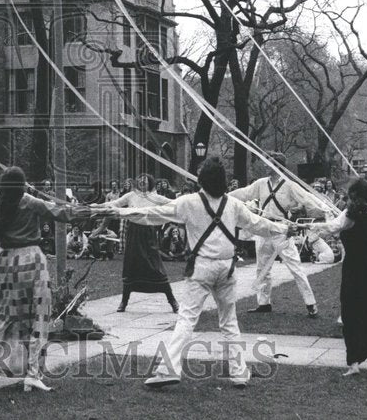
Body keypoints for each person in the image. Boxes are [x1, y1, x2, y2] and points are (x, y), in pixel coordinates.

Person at [111, 157, 293, 389]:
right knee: (229, 322)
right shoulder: (234, 205)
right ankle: (238, 374)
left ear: (202, 180)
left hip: (201, 269)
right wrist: (285, 228)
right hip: (227, 268)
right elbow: (258, 224)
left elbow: (153, 214)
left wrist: (119, 213)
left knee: (187, 319)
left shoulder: (189, 202)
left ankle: (169, 369)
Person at [0, 166, 99, 392]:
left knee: (5, 317)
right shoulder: (29, 201)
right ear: (22, 184)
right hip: (31, 261)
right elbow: (60, 212)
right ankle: (32, 373)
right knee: (39, 317)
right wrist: (92, 210)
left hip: (7, 264)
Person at [302, 179, 367, 375]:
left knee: (352, 314)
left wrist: (310, 226)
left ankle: (354, 362)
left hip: (355, 272)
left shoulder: (348, 216)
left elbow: (331, 227)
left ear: (352, 196)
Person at [229, 151, 330, 317]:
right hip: (263, 229)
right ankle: (263, 303)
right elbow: (243, 193)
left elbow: (307, 198)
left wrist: (325, 209)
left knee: (295, 267)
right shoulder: (260, 184)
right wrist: (221, 196)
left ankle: (310, 303)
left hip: (283, 230)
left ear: (277, 166)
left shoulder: (289, 185)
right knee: (262, 268)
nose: (264, 165)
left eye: (268, 163)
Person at [95, 175, 179, 313]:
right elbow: (114, 204)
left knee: (156, 267)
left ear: (150, 183)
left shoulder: (155, 197)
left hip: (148, 235)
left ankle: (172, 301)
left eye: (145, 181)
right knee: (130, 267)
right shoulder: (131, 195)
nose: (141, 182)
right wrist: (97, 207)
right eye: (140, 180)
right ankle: (124, 302)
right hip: (133, 234)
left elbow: (173, 203)